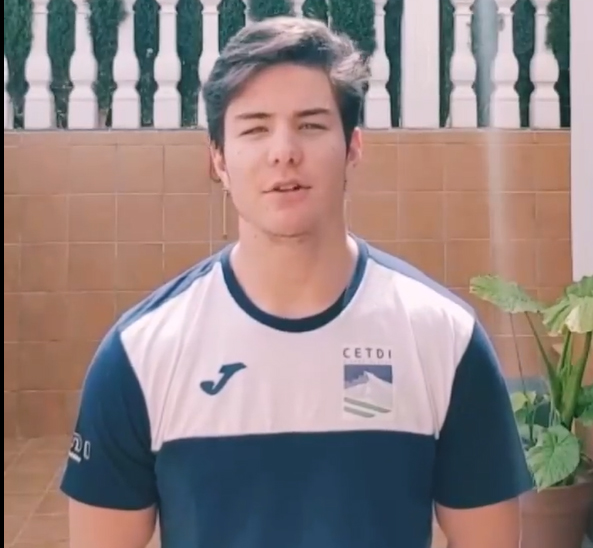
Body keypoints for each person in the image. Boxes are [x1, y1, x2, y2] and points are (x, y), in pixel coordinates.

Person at [61, 16, 533, 548]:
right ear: (218, 158)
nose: (283, 151)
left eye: (310, 125)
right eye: (255, 128)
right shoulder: (139, 354)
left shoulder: (444, 339)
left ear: (353, 147)